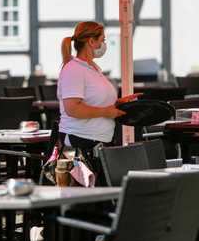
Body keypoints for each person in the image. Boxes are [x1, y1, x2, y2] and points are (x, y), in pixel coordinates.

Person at [57, 21, 139, 181]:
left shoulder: (93, 68)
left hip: (97, 143)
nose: (104, 44)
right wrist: (106, 112)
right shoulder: (73, 69)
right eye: (102, 39)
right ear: (91, 41)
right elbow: (73, 108)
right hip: (80, 145)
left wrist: (119, 103)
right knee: (86, 202)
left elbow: (95, 101)